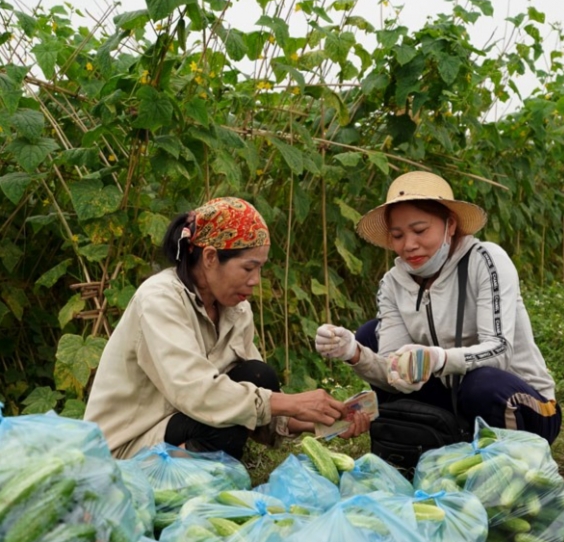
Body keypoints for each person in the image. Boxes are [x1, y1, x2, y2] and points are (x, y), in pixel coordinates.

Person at [85, 197, 369, 460]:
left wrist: (317, 419)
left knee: (258, 375)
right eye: (248, 268)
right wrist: (292, 402)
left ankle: (200, 465)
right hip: (128, 444)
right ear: (210, 258)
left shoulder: (236, 307)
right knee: (222, 424)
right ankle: (165, 475)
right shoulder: (159, 299)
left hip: (185, 421)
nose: (256, 280)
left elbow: (252, 390)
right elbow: (198, 393)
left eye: (261, 268)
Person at [315, 172, 561, 444]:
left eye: (420, 231)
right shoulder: (393, 283)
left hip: (522, 403)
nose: (409, 245)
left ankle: (511, 459)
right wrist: (354, 353)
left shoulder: (486, 260)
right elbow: (393, 374)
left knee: (482, 384)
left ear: (451, 225)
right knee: (368, 336)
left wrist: (438, 359)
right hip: (452, 404)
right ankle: (422, 436)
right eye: (397, 235)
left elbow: (500, 350)